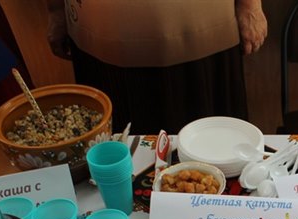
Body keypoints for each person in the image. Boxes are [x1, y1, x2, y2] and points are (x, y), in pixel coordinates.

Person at [45, 0, 267, 135]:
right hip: (100, 28)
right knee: (116, 156)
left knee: (212, 146)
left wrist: (251, 5)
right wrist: (56, 9)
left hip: (201, 28)